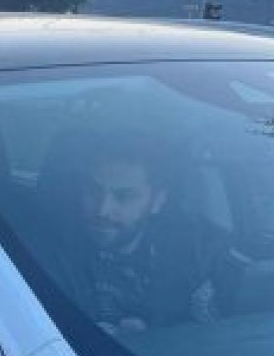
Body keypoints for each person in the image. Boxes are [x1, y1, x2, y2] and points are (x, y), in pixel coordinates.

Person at [69, 137, 229, 333]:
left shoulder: (197, 253)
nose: (102, 210)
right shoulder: (50, 256)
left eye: (123, 196)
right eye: (93, 192)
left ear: (157, 201)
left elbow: (220, 332)